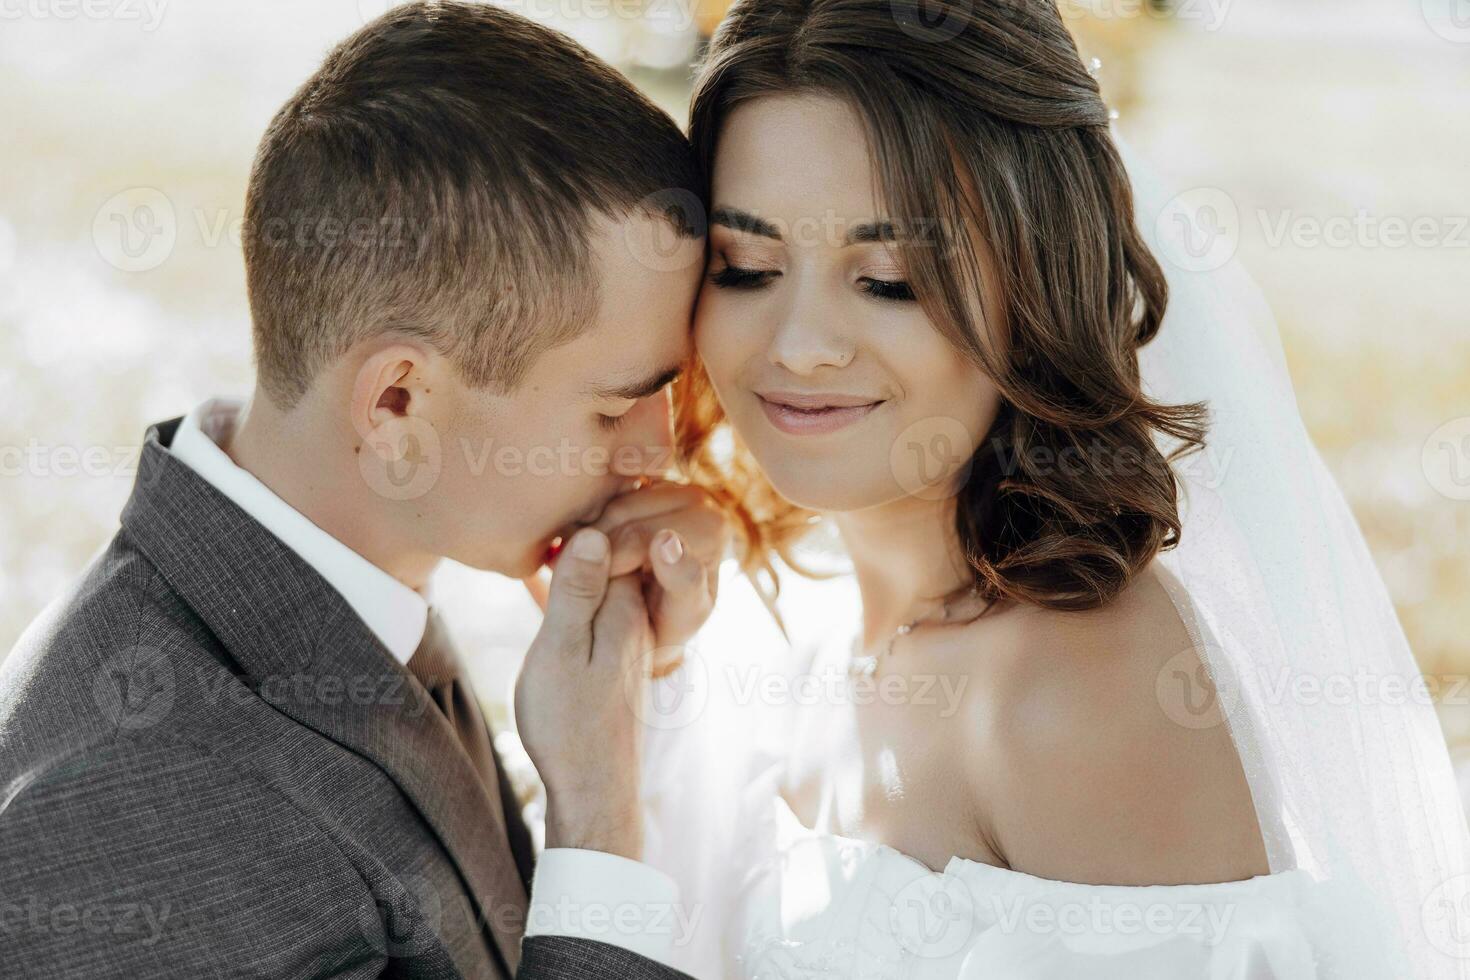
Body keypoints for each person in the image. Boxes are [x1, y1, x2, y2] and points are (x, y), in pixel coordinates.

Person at [639, 0, 1470, 974]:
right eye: (748, 265)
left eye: (892, 280)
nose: (801, 344)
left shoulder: (1081, 687)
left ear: (1037, 285)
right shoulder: (782, 608)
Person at [0, 3, 724, 977]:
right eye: (615, 407)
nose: (659, 454)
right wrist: (597, 815)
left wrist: (636, 708)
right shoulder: (133, 812)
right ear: (394, 404)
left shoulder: (344, 576)